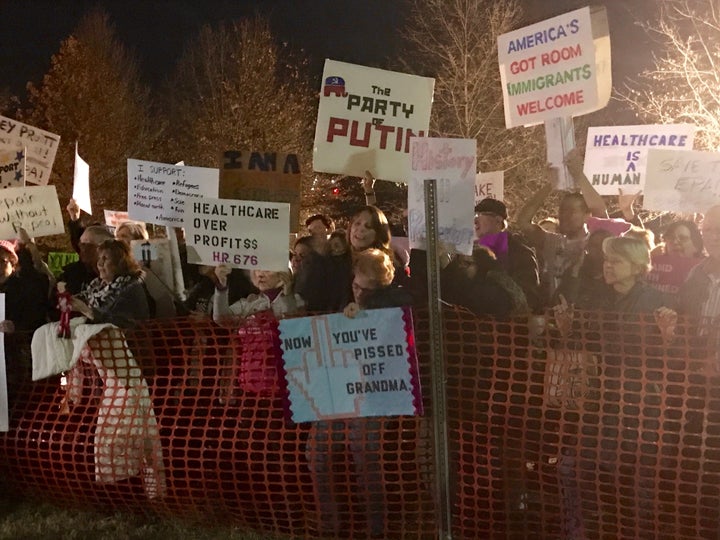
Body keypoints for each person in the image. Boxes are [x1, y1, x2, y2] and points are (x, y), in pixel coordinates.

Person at [307, 249, 411, 538]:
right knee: (317, 453)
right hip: (340, 393)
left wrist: (368, 312)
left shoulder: (395, 302)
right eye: (356, 286)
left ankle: (377, 529)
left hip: (376, 398)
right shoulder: (345, 300)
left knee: (365, 457)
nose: (360, 293)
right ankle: (330, 526)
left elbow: (397, 308)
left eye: (368, 289)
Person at [473, 198, 541, 311]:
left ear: (498, 221)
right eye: (474, 215)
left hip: (508, 324)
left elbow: (528, 299)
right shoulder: (470, 252)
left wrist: (495, 271)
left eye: (481, 214)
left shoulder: (522, 254)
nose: (475, 220)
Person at [70, 239, 150, 328]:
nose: (99, 264)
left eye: (105, 259)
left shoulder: (129, 287)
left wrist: (88, 311)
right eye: (99, 258)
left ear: (120, 263)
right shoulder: (98, 285)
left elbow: (119, 323)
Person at [441, 245, 530, 318]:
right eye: (459, 262)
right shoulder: (466, 282)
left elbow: (470, 297)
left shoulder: (495, 289)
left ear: (481, 266)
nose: (461, 267)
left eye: (467, 263)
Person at [212, 266, 304, 320]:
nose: (260, 275)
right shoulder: (249, 302)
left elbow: (293, 325)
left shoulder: (297, 300)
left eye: (267, 270)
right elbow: (222, 319)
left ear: (282, 273)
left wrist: (287, 296)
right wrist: (221, 287)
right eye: (257, 269)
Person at [59, 225, 114, 295]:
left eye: (84, 244)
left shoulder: (114, 275)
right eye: (80, 244)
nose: (81, 248)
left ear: (100, 247)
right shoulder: (71, 274)